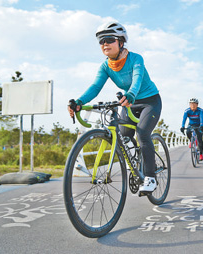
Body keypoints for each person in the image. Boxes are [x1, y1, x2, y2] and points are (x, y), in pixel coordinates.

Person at [68, 21, 161, 193]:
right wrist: (79, 102)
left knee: (142, 133)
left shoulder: (135, 58)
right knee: (124, 137)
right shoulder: (105, 66)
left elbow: (137, 79)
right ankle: (136, 165)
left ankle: (150, 177)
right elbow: (95, 87)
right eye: (101, 41)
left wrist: (132, 94)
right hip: (128, 102)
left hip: (149, 101)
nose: (104, 44)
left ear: (120, 41)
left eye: (109, 39)